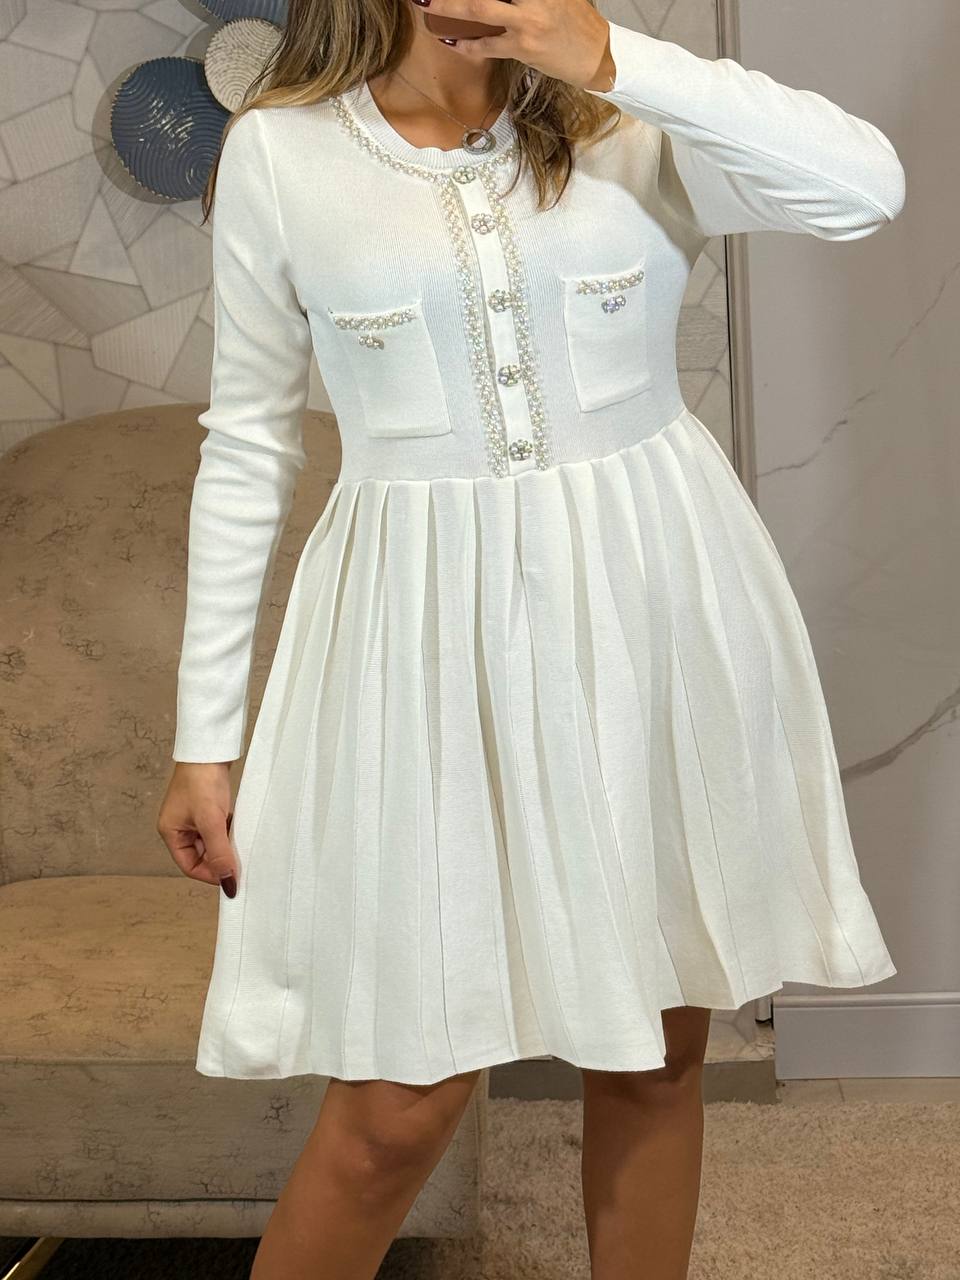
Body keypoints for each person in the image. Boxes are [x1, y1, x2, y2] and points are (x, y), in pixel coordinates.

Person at [156, 0, 905, 1275]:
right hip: (417, 651)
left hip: (654, 613)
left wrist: (608, 56)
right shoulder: (282, 153)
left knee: (658, 1051)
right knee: (393, 1110)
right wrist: (203, 738)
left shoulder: (625, 113)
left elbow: (864, 188)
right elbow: (249, 446)